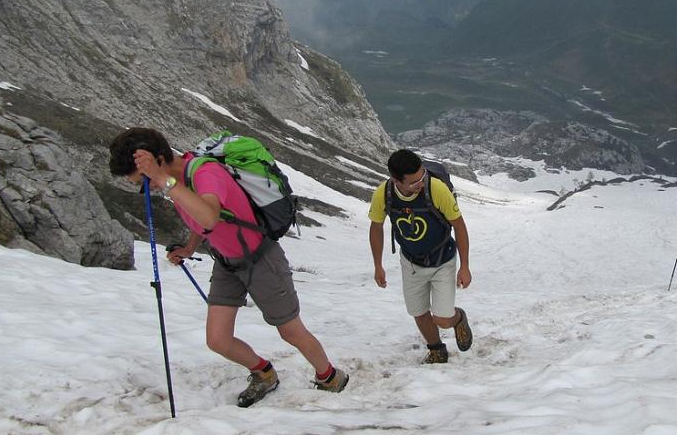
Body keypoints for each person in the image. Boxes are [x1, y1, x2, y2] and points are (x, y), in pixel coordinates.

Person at [108, 127, 348, 406]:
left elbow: (209, 215)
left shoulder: (204, 173)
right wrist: (189, 248)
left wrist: (163, 180)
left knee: (290, 331)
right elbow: (201, 217)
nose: (147, 188)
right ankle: (264, 373)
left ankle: (330, 376)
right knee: (218, 340)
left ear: (159, 161)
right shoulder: (177, 179)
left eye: (144, 182)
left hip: (261, 259)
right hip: (226, 261)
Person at [368, 149, 473, 364]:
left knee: (442, 319)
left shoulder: (436, 189)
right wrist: (378, 265)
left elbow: (459, 226)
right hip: (411, 262)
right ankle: (437, 350)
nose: (421, 183)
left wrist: (465, 267)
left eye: (422, 176)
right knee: (419, 312)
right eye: (414, 181)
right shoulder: (383, 193)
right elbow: (375, 227)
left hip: (443, 259)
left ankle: (458, 318)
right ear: (397, 181)